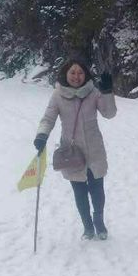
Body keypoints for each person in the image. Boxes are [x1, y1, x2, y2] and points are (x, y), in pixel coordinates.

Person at [33, 56, 117, 240]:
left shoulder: (93, 92)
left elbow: (109, 113)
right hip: (71, 152)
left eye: (80, 73)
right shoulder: (58, 95)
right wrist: (42, 135)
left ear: (85, 74)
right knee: (79, 192)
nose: (76, 76)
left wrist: (107, 92)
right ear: (66, 73)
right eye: (72, 72)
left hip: (94, 150)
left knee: (97, 190)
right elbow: (48, 118)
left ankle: (99, 221)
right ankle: (87, 226)